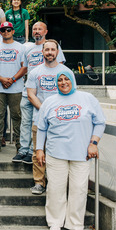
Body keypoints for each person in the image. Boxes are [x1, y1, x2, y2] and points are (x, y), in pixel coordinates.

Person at [35, 70, 105, 230]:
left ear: (73, 80)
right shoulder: (50, 102)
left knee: (79, 189)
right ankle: (55, 222)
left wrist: (93, 143)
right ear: (56, 83)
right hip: (55, 152)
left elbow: (100, 122)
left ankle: (75, 223)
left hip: (82, 153)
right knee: (55, 189)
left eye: (67, 79)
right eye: (60, 80)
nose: (63, 82)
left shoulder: (87, 98)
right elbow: (42, 128)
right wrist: (39, 149)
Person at [16, 22, 66, 167]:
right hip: (28, 92)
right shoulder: (28, 48)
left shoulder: (52, 46)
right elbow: (25, 68)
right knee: (25, 122)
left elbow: (60, 67)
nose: (37, 32)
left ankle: (33, 150)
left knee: (36, 123)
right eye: (34, 29)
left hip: (44, 93)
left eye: (39, 29)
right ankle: (23, 150)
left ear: (46, 31)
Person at [25, 39, 69, 194]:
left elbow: (71, 94)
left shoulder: (65, 72)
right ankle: (39, 182)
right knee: (39, 152)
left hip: (62, 121)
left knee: (59, 153)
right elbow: (31, 94)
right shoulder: (35, 72)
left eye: (53, 49)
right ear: (42, 52)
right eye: (47, 50)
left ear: (57, 52)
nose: (50, 52)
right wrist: (46, 111)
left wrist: (55, 113)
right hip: (40, 120)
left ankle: (57, 183)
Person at [0, 22, 27, 153]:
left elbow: (24, 67)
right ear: (0, 32)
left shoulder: (21, 48)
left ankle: (20, 144)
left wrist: (13, 79)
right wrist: (1, 79)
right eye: (3, 30)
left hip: (16, 87)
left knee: (17, 116)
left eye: (9, 30)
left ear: (13, 31)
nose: (6, 32)